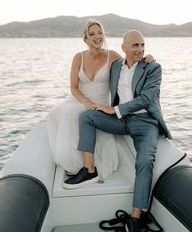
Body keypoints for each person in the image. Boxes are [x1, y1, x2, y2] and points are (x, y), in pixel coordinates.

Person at [64, 29, 172, 232]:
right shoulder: (115, 66)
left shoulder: (153, 68)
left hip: (145, 123)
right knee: (87, 117)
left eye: (142, 45)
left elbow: (145, 99)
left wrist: (115, 110)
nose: (140, 50)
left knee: (144, 161)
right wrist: (108, 110)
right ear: (123, 47)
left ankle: (135, 218)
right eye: (135, 46)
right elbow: (98, 58)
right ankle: (89, 170)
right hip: (122, 121)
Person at [47, 20, 154, 181]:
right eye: (92, 34)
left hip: (101, 104)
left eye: (100, 33)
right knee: (63, 113)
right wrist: (87, 103)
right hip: (80, 100)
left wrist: (148, 57)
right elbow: (74, 87)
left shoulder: (113, 56)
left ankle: (89, 169)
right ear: (85, 39)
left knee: (81, 116)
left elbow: (132, 60)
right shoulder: (78, 58)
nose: (97, 37)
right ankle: (76, 165)